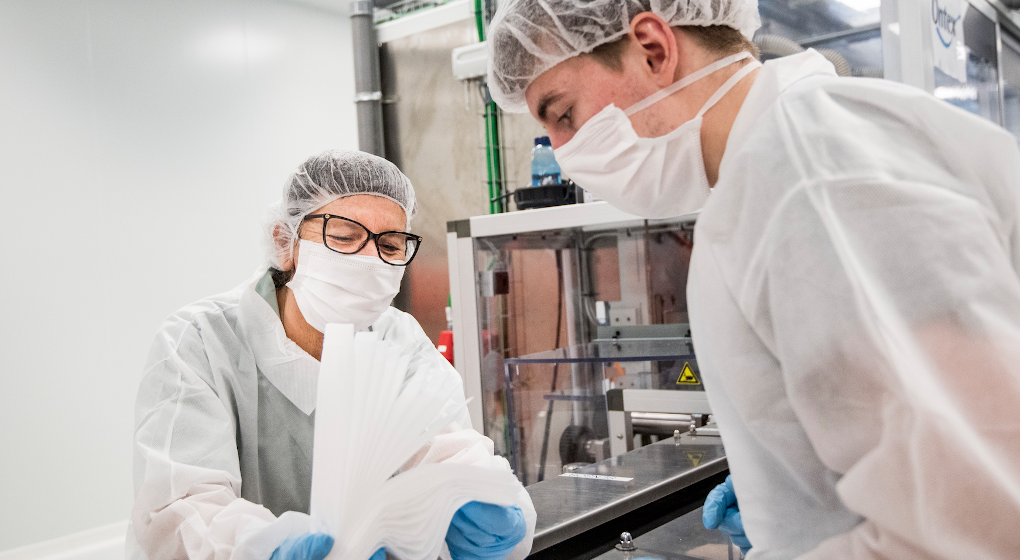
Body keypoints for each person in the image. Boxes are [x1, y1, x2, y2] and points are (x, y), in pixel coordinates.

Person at [487, 0, 1020, 559]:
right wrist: (790, 491)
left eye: (564, 114)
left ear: (653, 50)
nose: (563, 154)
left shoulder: (806, 167)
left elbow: (979, 513)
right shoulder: (772, 171)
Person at [128, 150, 535, 560]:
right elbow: (183, 511)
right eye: (343, 237)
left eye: (390, 245)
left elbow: (450, 451)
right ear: (285, 243)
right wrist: (268, 550)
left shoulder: (400, 340)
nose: (369, 260)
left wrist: (484, 501)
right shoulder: (200, 341)